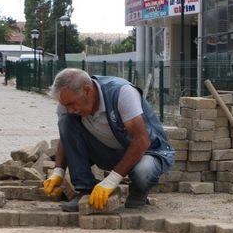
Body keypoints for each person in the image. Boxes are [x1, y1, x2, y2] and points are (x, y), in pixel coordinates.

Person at [43, 68, 175, 211]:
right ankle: (84, 190)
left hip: (146, 151)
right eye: (65, 105)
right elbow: (67, 137)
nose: (69, 109)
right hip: (109, 151)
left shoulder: (122, 93)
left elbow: (141, 140)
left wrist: (111, 181)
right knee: (66, 121)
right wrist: (58, 171)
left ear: (87, 90)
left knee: (143, 174)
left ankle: (138, 190)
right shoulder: (68, 104)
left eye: (71, 104)